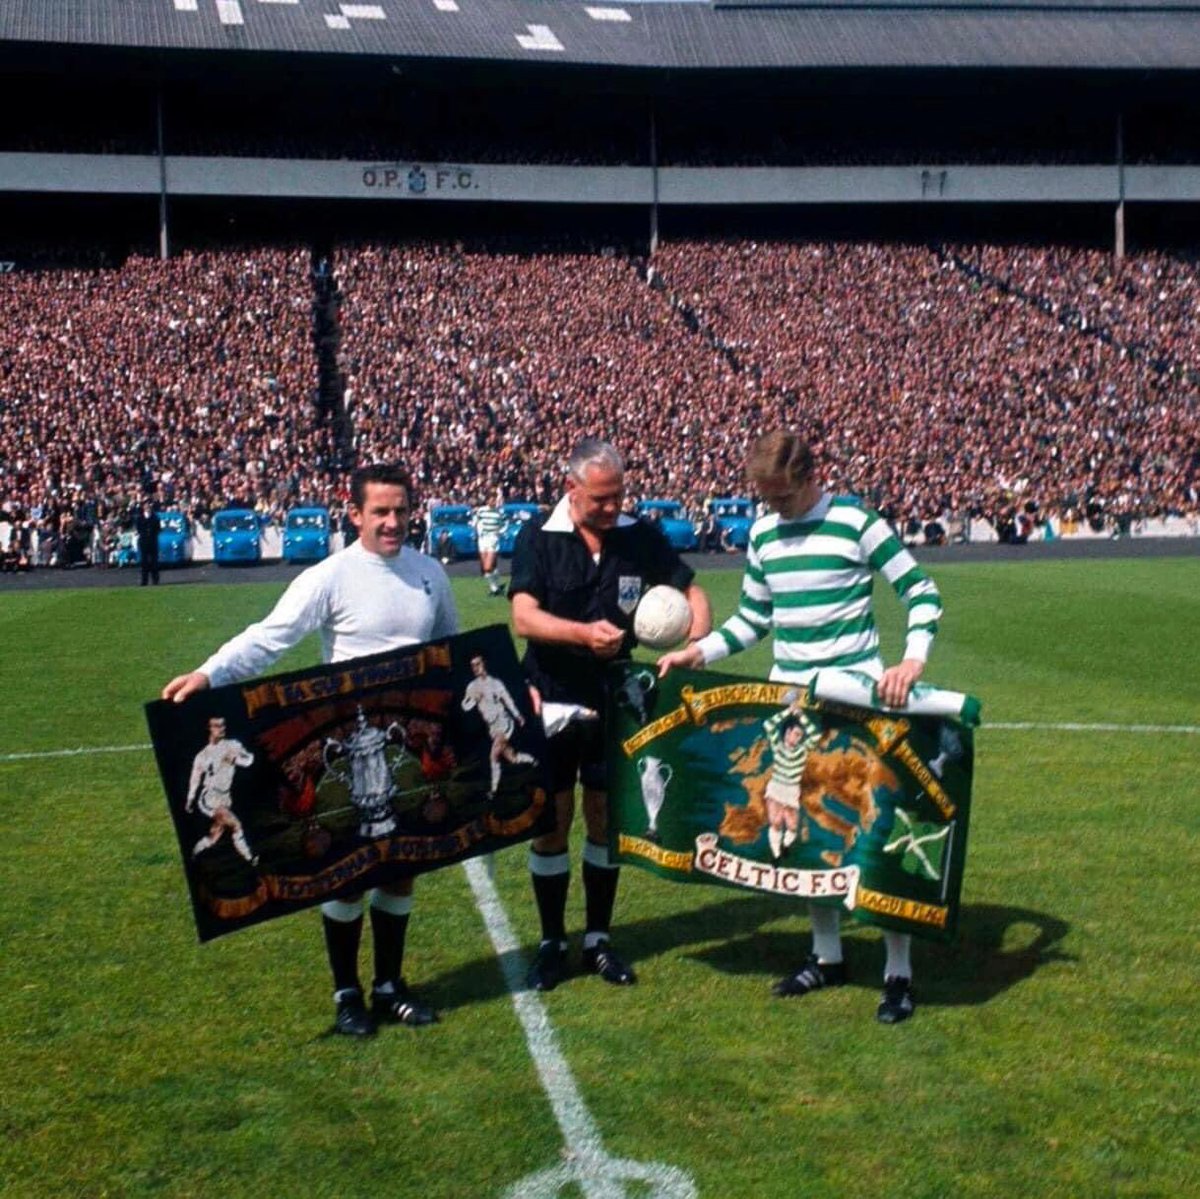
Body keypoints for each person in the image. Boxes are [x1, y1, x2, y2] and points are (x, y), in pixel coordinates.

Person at [657, 430, 943, 1025]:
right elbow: (755, 619)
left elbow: (920, 591)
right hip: (792, 703)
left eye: (782, 497)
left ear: (812, 477)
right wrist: (700, 653)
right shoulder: (761, 533)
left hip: (857, 700)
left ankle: (898, 973)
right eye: (765, 498)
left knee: (874, 834)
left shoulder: (857, 522)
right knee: (801, 833)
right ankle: (827, 956)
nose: (773, 509)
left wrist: (911, 660)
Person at [162, 463, 458, 1038]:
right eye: (380, 512)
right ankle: (348, 994)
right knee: (345, 871)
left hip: (403, 735)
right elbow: (270, 637)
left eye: (400, 510)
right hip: (349, 743)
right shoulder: (332, 576)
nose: (392, 521)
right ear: (355, 514)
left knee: (400, 868)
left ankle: (391, 986)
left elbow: (448, 646)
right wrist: (209, 673)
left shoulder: (430, 574)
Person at [509, 438, 712, 992]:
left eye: (618, 495)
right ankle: (552, 942)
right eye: (600, 498)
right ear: (570, 489)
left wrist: (695, 640)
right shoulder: (537, 535)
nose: (611, 506)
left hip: (614, 700)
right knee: (551, 824)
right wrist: (581, 634)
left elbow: (691, 589)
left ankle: (598, 939)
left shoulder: (639, 535)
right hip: (546, 697)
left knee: (604, 819)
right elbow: (523, 617)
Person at [460, 653, 537, 798]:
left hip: (503, 722)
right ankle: (533, 761)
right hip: (492, 727)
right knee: (512, 757)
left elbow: (507, 700)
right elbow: (466, 706)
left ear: (484, 664)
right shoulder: (472, 686)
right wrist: (473, 700)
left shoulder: (495, 684)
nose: (476, 668)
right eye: (473, 666)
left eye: (478, 664)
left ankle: (494, 790)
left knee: (493, 756)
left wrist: (517, 715)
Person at [186, 716, 257, 864]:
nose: (222, 728)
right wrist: (190, 799)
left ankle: (193, 853)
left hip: (225, 797)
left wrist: (235, 760)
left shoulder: (233, 745)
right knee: (236, 825)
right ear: (209, 729)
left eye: (223, 725)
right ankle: (250, 858)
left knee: (215, 835)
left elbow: (250, 759)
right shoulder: (202, 756)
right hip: (210, 797)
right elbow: (195, 778)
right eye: (217, 726)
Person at [472, 499, 506, 596]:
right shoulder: (481, 510)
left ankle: (495, 588)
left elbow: (505, 523)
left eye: (494, 500)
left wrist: (500, 532)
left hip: (493, 539)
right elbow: (476, 521)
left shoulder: (499, 512)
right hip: (482, 540)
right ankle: (496, 587)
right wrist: (476, 531)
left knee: (487, 567)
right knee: (487, 567)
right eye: (491, 500)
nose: (493, 502)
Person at [135, 499, 161, 586]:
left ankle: (155, 580)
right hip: (144, 541)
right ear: (143, 507)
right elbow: (139, 529)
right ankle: (144, 581)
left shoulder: (155, 517)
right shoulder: (140, 518)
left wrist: (152, 534)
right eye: (146, 506)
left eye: (149, 506)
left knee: (154, 562)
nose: (148, 507)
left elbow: (158, 529)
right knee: (144, 562)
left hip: (153, 541)